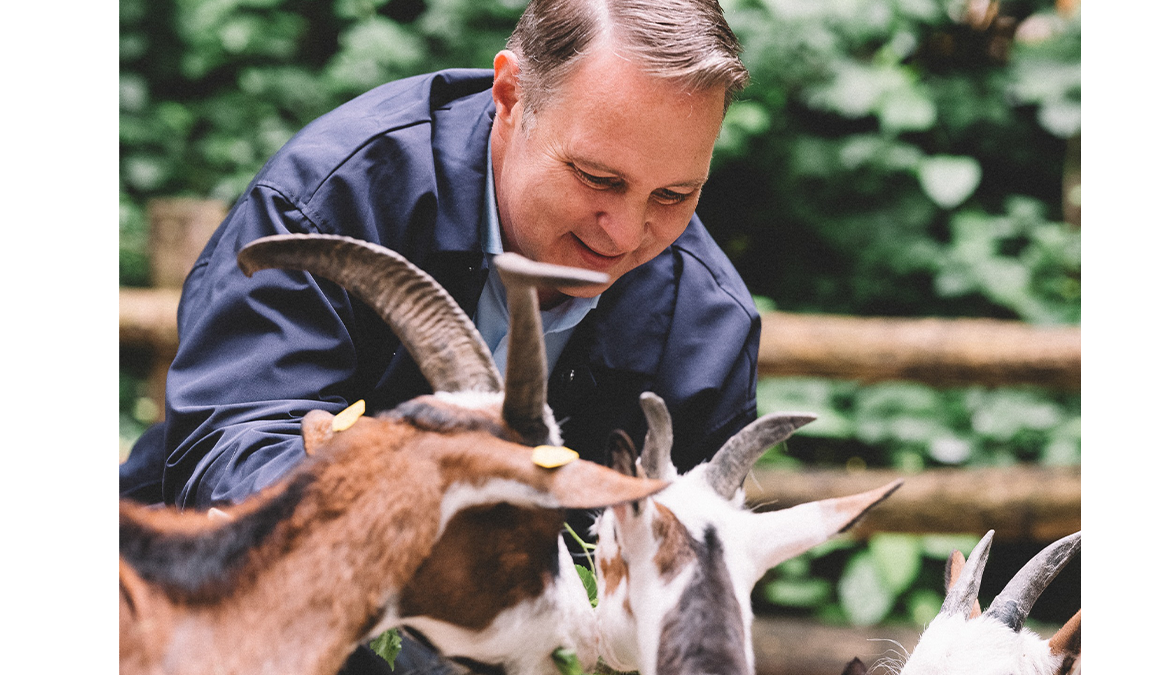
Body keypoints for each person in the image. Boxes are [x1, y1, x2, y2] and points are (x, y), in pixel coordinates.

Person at [121, 0, 760, 672]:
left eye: (675, 196)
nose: (625, 234)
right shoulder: (336, 198)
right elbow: (232, 450)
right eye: (599, 178)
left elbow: (691, 591)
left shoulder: (708, 328)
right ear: (511, 96)